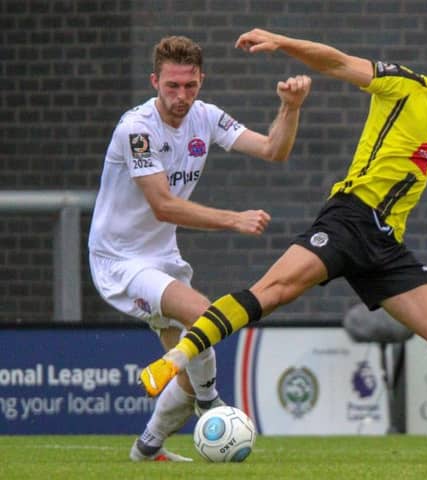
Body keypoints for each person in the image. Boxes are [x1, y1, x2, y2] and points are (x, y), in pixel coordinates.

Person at [139, 29, 427, 463]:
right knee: (271, 292)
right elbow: (337, 62)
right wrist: (281, 42)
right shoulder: (406, 86)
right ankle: (178, 358)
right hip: (350, 219)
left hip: (385, 244)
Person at [88, 34, 311, 462]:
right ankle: (212, 403)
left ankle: (147, 449)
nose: (181, 96)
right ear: (155, 81)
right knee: (206, 316)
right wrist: (234, 219)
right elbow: (164, 206)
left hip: (162, 258)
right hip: (120, 261)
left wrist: (291, 108)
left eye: (190, 86)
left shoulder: (206, 118)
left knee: (195, 354)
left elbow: (272, 149)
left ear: (201, 81)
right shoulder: (136, 129)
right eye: (172, 86)